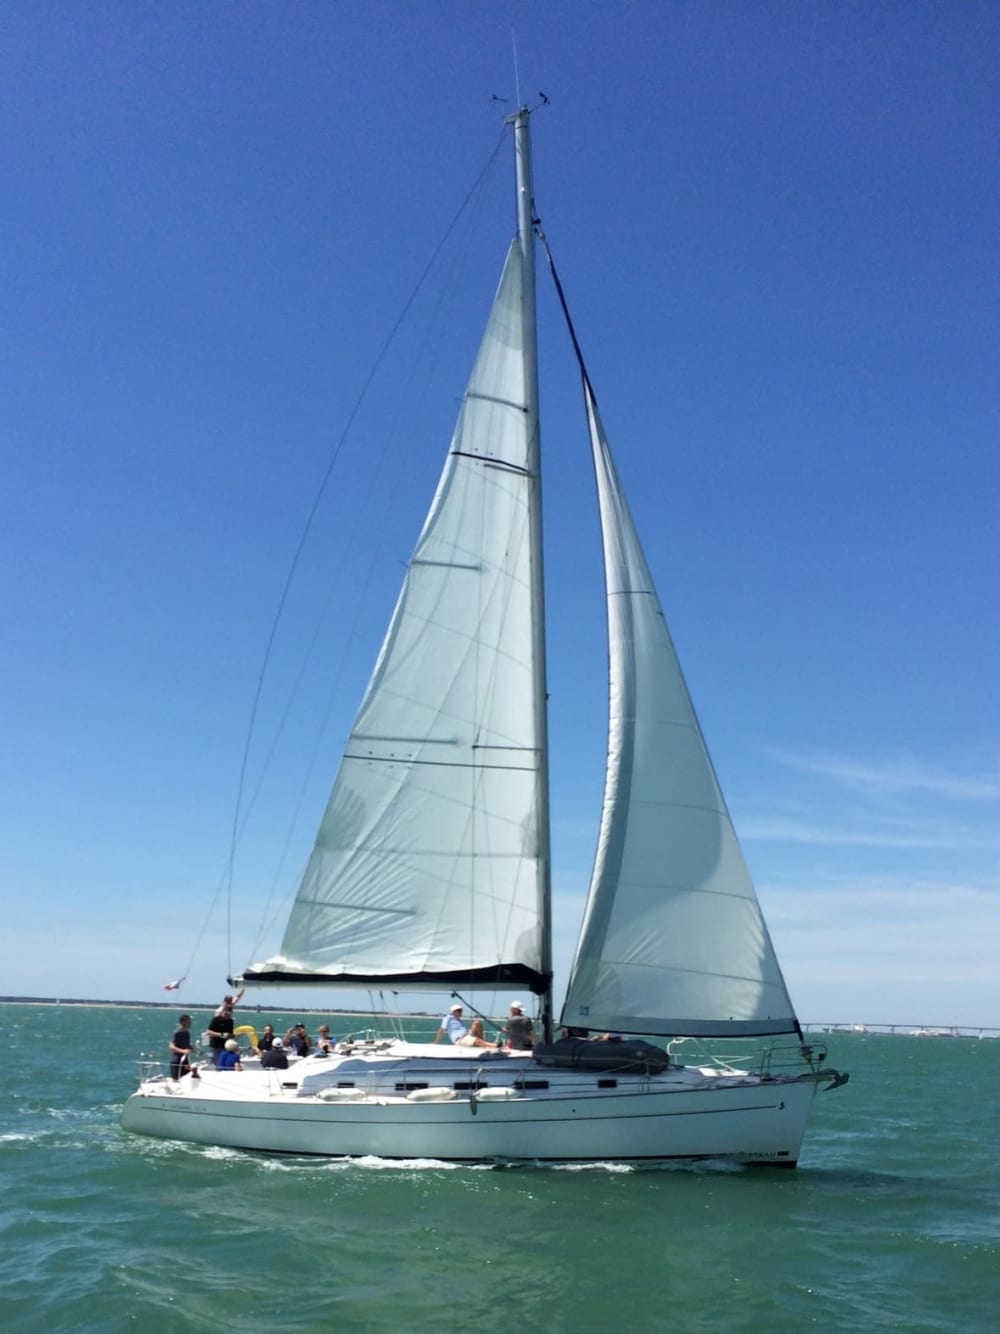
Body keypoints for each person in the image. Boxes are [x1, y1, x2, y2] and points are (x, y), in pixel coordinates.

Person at [206, 988, 245, 1066]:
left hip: (226, 1043)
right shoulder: (219, 1011)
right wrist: (221, 1034)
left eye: (230, 1000)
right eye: (228, 1000)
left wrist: (242, 990)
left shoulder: (230, 1008)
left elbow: (237, 997)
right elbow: (209, 1030)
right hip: (217, 1042)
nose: (229, 1001)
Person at [168, 1014, 194, 1078]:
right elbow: (171, 1046)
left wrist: (196, 1051)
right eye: (189, 1022)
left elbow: (187, 1045)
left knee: (187, 1078)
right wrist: (182, 1051)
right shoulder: (177, 1033)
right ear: (183, 1022)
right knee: (176, 1080)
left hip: (185, 1061)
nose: (190, 1023)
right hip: (177, 1060)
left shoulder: (187, 1033)